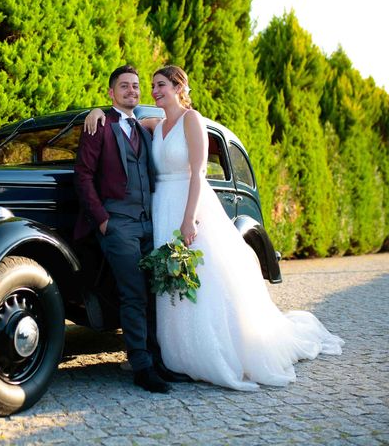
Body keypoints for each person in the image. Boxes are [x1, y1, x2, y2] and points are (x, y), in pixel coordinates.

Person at [84, 65, 344, 390]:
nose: (153, 91)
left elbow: (198, 172)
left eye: (160, 85)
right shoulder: (154, 124)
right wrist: (97, 110)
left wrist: (189, 217)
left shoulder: (193, 120)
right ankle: (168, 355)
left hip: (186, 205)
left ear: (179, 87)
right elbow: (121, 121)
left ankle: (210, 352)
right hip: (159, 208)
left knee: (204, 282)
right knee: (164, 288)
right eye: (151, 86)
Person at [74, 65, 189, 393]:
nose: (132, 91)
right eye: (123, 86)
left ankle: (158, 360)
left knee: (156, 292)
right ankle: (141, 366)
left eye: (136, 86)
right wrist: (102, 219)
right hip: (117, 222)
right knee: (134, 293)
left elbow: (174, 126)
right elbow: (82, 174)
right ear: (111, 93)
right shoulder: (99, 125)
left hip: (148, 222)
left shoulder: (142, 128)